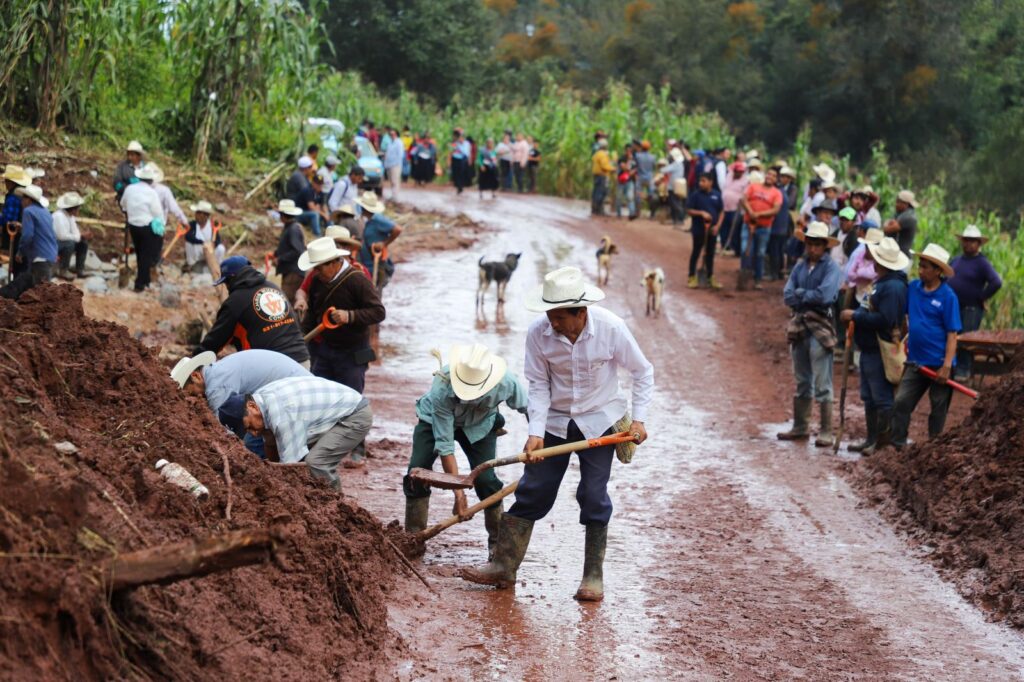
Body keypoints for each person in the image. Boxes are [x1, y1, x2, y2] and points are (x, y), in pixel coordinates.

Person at [460, 266, 653, 601]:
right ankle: (503, 566)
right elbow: (538, 384)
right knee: (534, 490)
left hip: (599, 420)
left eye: (560, 317)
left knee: (593, 494)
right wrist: (535, 432)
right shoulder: (538, 333)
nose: (554, 323)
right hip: (555, 423)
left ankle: (593, 576)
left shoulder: (611, 328)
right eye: (550, 316)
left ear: (581, 312)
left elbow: (642, 371)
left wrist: (639, 420)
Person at [403, 344, 528, 559]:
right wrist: (459, 495)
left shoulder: (507, 382)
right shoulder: (442, 386)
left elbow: (530, 408)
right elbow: (445, 446)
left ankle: (496, 546)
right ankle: (414, 538)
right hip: (433, 421)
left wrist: (537, 437)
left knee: (486, 481)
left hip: (480, 425)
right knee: (417, 472)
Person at [299, 235, 385, 466]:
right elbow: (313, 313)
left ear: (333, 263)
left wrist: (350, 316)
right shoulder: (318, 280)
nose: (316, 272)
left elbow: (378, 312)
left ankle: (358, 450)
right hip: (325, 350)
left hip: (353, 352)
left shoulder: (358, 280)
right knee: (318, 399)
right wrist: (302, 339)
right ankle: (317, 449)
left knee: (352, 401)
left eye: (319, 268)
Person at [239, 376, 373, 490]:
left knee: (317, 462)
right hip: (329, 412)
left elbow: (290, 467)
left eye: (250, 427)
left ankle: (336, 505)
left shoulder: (283, 416)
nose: (254, 434)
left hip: (354, 415)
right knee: (274, 445)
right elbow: (272, 447)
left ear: (252, 406)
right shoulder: (260, 400)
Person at [840, 237, 909, 455]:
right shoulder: (882, 283)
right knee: (869, 397)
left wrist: (855, 316)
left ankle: (881, 442)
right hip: (870, 348)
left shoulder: (893, 287)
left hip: (880, 348)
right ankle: (871, 439)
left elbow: (885, 320)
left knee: (881, 398)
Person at [171, 349, 311, 457]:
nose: (195, 397)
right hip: (298, 386)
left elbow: (219, 431)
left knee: (251, 446)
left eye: (191, 392)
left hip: (299, 395)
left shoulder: (217, 386)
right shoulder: (218, 371)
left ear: (196, 376)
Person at [890, 244, 962, 449]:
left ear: (938, 271)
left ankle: (933, 449)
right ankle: (898, 445)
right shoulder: (913, 288)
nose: (920, 270)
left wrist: (946, 365)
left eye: (925, 267)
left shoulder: (948, 297)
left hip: (939, 364)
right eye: (919, 265)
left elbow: (952, 334)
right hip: (916, 362)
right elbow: (905, 316)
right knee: (901, 402)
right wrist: (899, 334)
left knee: (938, 407)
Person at [777, 221, 843, 446]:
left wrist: (801, 293)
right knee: (802, 379)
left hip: (820, 325)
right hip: (800, 325)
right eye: (810, 244)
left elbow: (825, 297)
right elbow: (787, 295)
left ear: (824, 246)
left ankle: (826, 431)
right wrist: (807, 295)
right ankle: (801, 426)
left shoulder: (832, 268)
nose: (812, 248)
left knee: (823, 382)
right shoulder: (800, 266)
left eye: (817, 244)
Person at [199, 255, 310, 366]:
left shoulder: (235, 301)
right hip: (302, 360)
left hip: (272, 367)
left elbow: (215, 341)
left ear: (231, 279)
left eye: (226, 282)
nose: (227, 287)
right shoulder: (273, 287)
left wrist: (194, 361)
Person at [948, 225, 1002, 378]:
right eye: (966, 240)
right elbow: (946, 277)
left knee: (966, 338)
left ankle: (963, 371)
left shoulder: (982, 263)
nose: (968, 243)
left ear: (979, 244)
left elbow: (996, 282)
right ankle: (951, 368)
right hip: (953, 306)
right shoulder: (956, 260)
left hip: (971, 308)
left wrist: (982, 297)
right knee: (952, 336)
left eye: (972, 241)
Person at [0, 184, 57, 300]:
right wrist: (23, 227)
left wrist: (20, 252)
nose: (21, 202)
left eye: (23, 199)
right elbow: (41, 231)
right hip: (49, 254)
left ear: (29, 200)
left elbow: (27, 236)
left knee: (42, 292)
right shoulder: (45, 212)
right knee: (25, 282)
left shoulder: (28, 211)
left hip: (40, 257)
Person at [120, 166, 164, 292]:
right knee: (145, 255)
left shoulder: (129, 189)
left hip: (133, 225)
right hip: (146, 226)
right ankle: (140, 283)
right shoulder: (151, 192)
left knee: (140, 253)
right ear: (150, 180)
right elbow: (157, 212)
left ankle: (145, 280)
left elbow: (123, 205)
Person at [740, 167, 783, 287]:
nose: (770, 176)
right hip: (748, 224)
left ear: (776, 179)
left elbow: (775, 210)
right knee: (745, 250)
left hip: (764, 228)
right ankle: (744, 274)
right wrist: (750, 212)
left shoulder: (777, 193)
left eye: (773, 175)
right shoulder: (753, 186)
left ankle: (757, 279)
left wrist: (759, 214)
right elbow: (743, 199)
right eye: (769, 173)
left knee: (760, 253)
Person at [685, 172, 724, 289]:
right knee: (696, 252)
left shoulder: (717, 195)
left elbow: (721, 211)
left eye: (703, 181)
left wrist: (717, 226)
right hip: (699, 230)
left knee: (710, 254)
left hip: (712, 230)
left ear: (711, 182)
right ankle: (692, 276)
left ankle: (710, 276)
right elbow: (689, 210)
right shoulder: (695, 195)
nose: (700, 183)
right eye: (700, 181)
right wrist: (701, 213)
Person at [356, 192, 402, 290]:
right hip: (368, 264)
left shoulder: (378, 219)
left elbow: (397, 229)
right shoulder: (367, 220)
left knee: (375, 292)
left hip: (377, 264)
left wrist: (384, 243)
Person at [273, 199, 306, 303]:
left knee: (287, 302)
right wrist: (276, 254)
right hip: (290, 271)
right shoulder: (290, 228)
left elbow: (297, 251)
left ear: (283, 215)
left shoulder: (293, 229)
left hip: (294, 272)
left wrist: (280, 259)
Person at [53, 191, 89, 280]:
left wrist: (80, 236)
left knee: (83, 243)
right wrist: (78, 236)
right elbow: (62, 236)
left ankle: (79, 269)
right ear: (73, 209)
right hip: (55, 243)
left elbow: (75, 231)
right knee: (69, 244)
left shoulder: (70, 217)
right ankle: (63, 270)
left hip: (64, 241)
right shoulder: (59, 216)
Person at [287, 156, 325, 237]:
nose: (312, 169)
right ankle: (318, 235)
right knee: (315, 213)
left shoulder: (303, 177)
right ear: (306, 168)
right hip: (294, 209)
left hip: (300, 208)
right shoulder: (299, 177)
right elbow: (308, 195)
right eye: (310, 167)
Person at [845, 224, 883, 304]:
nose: (867, 249)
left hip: (870, 299)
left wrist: (859, 272)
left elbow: (872, 274)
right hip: (857, 294)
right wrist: (860, 275)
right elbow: (850, 274)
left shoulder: (880, 261)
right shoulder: (860, 254)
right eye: (867, 246)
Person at [148, 164, 189, 239]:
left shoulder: (136, 188)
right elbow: (173, 207)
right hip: (157, 226)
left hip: (139, 224)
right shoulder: (164, 190)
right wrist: (184, 221)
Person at [184, 200, 224, 272]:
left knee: (221, 248)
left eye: (199, 213)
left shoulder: (212, 226)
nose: (196, 215)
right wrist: (203, 242)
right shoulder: (192, 224)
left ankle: (217, 266)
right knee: (188, 243)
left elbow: (218, 240)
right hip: (199, 249)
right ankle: (191, 264)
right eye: (197, 212)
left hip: (211, 251)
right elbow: (188, 236)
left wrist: (214, 244)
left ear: (206, 216)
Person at [1, 166, 30, 258]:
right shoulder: (25, 194)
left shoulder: (13, 197)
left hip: (13, 234)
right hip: (22, 231)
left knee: (10, 258)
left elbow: (9, 219)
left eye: (6, 181)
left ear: (11, 182)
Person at [720, 161, 748, 253]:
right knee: (724, 227)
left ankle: (734, 248)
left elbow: (745, 195)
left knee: (734, 228)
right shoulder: (729, 176)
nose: (739, 173)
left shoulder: (745, 181)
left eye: (741, 171)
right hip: (724, 207)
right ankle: (724, 245)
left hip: (736, 209)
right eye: (738, 171)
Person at [884, 190, 918, 256]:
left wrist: (887, 224)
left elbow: (887, 230)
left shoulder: (908, 217)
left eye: (898, 202)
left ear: (905, 204)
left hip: (901, 255)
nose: (896, 204)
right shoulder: (902, 214)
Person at [591, 139, 614, 216]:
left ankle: (595, 209)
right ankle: (599, 210)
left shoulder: (597, 153)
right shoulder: (603, 154)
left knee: (596, 192)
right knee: (601, 192)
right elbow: (604, 166)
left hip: (596, 175)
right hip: (602, 175)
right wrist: (612, 169)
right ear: (605, 146)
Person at [383, 128, 405, 200]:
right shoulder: (390, 143)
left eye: (393, 134)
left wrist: (397, 163)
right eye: (391, 134)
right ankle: (393, 195)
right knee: (391, 181)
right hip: (389, 164)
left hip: (396, 164)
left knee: (395, 180)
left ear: (396, 134)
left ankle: (395, 196)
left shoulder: (399, 143)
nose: (392, 135)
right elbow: (388, 153)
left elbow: (400, 155)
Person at [449, 129, 472, 194]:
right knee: (456, 173)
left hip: (463, 159)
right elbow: (451, 152)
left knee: (461, 173)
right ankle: (459, 186)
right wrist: (449, 160)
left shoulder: (467, 143)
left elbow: (468, 152)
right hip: (455, 159)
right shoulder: (454, 143)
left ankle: (460, 186)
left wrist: (469, 159)